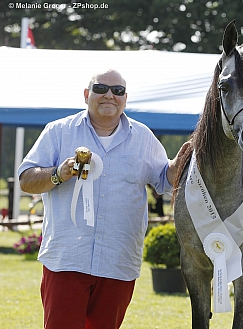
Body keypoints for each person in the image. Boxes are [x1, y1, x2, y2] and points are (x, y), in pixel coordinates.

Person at [18, 69, 189, 329]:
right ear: (87, 94)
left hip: (118, 262)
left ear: (125, 98)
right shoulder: (58, 131)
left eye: (117, 91)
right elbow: (26, 179)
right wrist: (57, 174)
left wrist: (182, 160)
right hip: (67, 260)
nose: (109, 95)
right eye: (101, 88)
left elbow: (166, 180)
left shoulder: (143, 138)